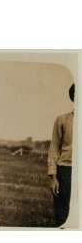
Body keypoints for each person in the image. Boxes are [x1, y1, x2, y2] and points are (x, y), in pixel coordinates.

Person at [48, 84, 75, 227]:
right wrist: (53, 177)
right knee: (62, 216)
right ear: (74, 97)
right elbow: (54, 148)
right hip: (65, 171)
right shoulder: (63, 120)